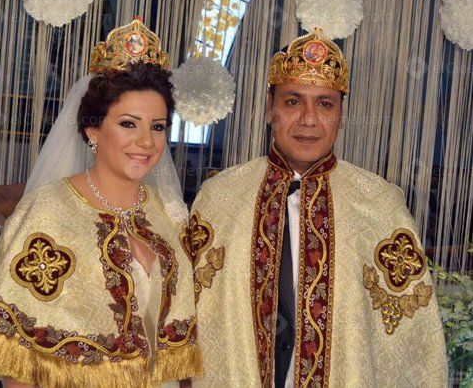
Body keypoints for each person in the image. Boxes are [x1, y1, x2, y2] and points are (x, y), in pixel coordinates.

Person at [186, 29, 448, 387]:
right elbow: (186, 320)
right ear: (270, 107)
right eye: (293, 101)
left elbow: (413, 340)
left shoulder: (378, 203)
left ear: (341, 113)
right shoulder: (220, 198)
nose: (308, 119)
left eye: (325, 104)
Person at [0, 18, 200, 388]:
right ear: (93, 130)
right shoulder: (47, 211)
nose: (147, 142)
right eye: (128, 124)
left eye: (158, 126)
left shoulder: (166, 213)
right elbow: (17, 363)